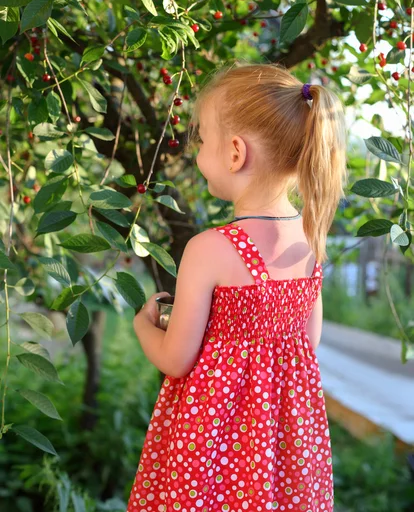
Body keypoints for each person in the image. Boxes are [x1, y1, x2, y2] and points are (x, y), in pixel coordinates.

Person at [127, 62, 348, 511]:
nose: (197, 153)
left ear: (234, 152)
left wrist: (143, 326)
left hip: (210, 453)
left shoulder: (210, 249)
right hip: (286, 452)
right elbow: (308, 342)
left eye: (202, 140)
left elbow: (176, 358)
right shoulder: (310, 241)